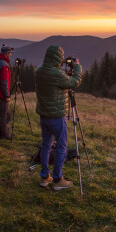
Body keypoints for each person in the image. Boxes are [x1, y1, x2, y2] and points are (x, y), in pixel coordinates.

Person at [35, 45, 82, 190]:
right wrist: (78, 68)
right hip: (56, 116)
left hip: (44, 115)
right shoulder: (57, 75)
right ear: (58, 58)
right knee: (61, 146)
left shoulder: (39, 71)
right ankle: (57, 180)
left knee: (46, 145)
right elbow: (74, 82)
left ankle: (44, 177)